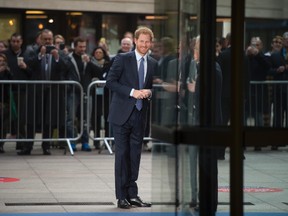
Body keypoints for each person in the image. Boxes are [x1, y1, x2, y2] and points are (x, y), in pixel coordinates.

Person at [106, 26, 157, 209]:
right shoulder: (122, 59)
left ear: (151, 43)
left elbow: (153, 87)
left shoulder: (152, 63)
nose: (144, 44)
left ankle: (132, 194)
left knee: (135, 156)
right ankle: (121, 196)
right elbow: (110, 82)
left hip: (140, 115)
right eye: (141, 41)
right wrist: (132, 92)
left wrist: (149, 92)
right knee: (122, 156)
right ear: (135, 41)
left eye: (147, 41)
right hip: (121, 116)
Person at [17, 29, 67, 155]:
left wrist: (56, 58)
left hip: (52, 92)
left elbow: (66, 68)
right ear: (40, 39)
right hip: (36, 91)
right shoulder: (33, 51)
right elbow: (28, 66)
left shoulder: (59, 53)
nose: (47, 42)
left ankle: (46, 146)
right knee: (31, 119)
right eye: (45, 39)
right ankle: (28, 146)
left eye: (49, 39)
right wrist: (40, 56)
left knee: (49, 120)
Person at [65, 36, 102, 152]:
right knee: (71, 118)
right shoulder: (69, 58)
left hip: (86, 92)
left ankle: (85, 142)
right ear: (74, 47)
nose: (82, 49)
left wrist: (89, 62)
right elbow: (64, 71)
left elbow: (99, 72)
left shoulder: (88, 59)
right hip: (73, 92)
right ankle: (72, 141)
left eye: (84, 47)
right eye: (80, 46)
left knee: (86, 119)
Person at [4, 33, 31, 150]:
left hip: (22, 89)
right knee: (4, 118)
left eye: (17, 41)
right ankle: (1, 144)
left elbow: (32, 73)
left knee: (21, 117)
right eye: (13, 41)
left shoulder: (27, 54)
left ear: (21, 42)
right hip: (6, 89)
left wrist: (25, 67)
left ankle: (20, 143)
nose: (15, 43)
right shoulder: (5, 54)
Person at [245, 36, 271, 151]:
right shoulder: (246, 57)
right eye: (252, 44)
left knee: (258, 116)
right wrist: (247, 54)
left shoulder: (263, 57)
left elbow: (267, 66)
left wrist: (257, 54)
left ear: (261, 46)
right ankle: (243, 141)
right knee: (244, 115)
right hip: (247, 91)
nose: (254, 47)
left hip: (259, 91)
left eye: (257, 45)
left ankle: (258, 142)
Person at [90, 46, 111, 150]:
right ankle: (97, 140)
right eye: (96, 52)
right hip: (95, 93)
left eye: (100, 52)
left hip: (107, 93)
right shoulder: (90, 63)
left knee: (107, 116)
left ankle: (107, 139)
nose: (98, 54)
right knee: (96, 116)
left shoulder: (108, 64)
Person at [0, 53, 12, 153]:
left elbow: (12, 81)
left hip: (5, 101)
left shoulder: (7, 71)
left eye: (3, 61)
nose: (1, 63)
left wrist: (7, 71)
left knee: (3, 125)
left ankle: (1, 144)